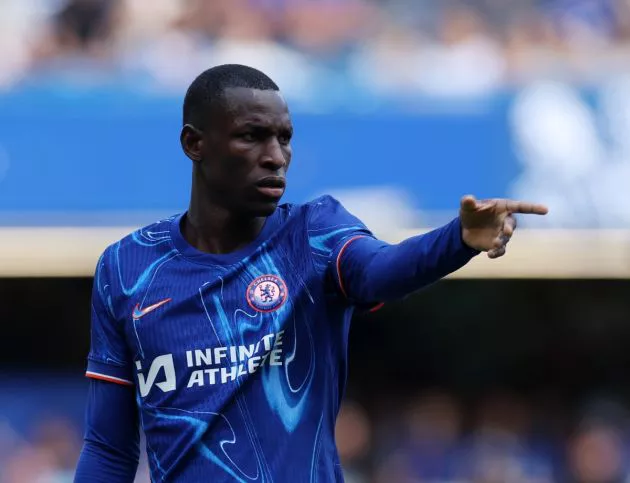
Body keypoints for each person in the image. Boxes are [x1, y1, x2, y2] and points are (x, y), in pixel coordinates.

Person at [74, 64, 548, 482]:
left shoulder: (314, 234)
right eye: (252, 135)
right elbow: (109, 449)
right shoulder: (127, 267)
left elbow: (384, 270)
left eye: (284, 138)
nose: (276, 156)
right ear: (194, 143)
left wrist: (457, 240)